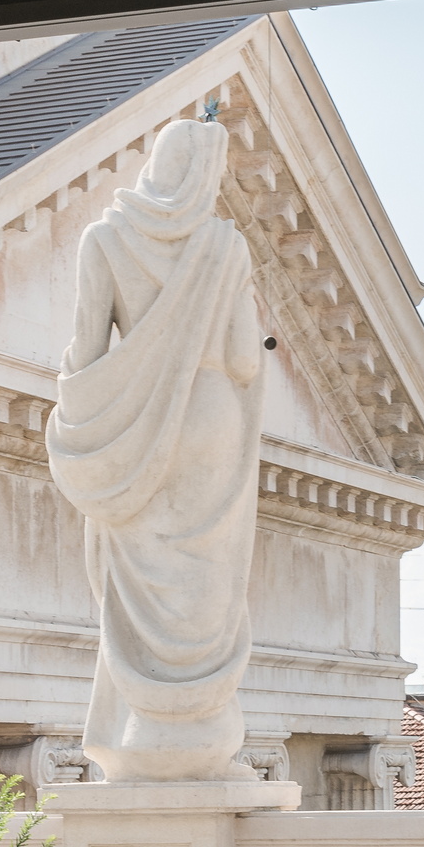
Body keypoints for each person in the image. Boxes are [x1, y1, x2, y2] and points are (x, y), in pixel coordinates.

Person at [47, 111, 266, 779]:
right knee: (205, 577)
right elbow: (244, 358)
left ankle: (144, 727)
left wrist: (85, 424)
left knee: (137, 573)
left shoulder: (105, 238)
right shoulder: (225, 246)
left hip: (136, 426)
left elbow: (86, 350)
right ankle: (202, 730)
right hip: (211, 417)